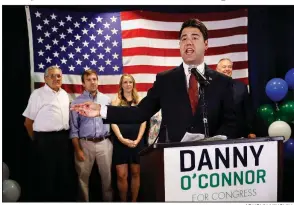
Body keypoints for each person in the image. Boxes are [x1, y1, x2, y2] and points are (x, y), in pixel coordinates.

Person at [71, 18, 237, 142]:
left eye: (195, 37)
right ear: (179, 45)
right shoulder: (165, 80)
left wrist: (215, 142)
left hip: (213, 162)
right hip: (173, 160)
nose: (188, 42)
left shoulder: (222, 82)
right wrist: (101, 110)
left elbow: (231, 122)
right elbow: (140, 112)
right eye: (184, 38)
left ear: (206, 44)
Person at [23, 66, 76, 201]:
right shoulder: (38, 94)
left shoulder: (64, 94)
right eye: (52, 76)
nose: (55, 78)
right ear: (45, 78)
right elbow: (28, 122)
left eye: (58, 76)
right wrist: (37, 141)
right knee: (47, 176)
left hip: (64, 139)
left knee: (63, 175)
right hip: (44, 140)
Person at [69, 69, 113, 202]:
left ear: (97, 81)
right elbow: (74, 129)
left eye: (94, 79)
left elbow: (112, 122)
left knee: (108, 179)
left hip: (104, 143)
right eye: (88, 80)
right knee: (83, 179)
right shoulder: (76, 102)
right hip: (85, 144)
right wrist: (78, 150)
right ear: (83, 83)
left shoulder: (106, 100)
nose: (92, 82)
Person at [111, 74, 146, 202]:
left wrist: (137, 139)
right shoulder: (115, 101)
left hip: (137, 142)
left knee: (136, 173)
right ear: (121, 85)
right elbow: (112, 122)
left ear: (133, 84)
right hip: (121, 143)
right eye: (125, 82)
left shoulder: (139, 101)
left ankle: (134, 201)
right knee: (121, 175)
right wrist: (121, 138)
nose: (128, 85)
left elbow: (144, 121)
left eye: (130, 82)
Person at [216, 58, 256, 138]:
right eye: (224, 67)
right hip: (217, 134)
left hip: (239, 134)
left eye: (229, 67)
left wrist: (251, 131)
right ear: (217, 70)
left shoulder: (241, 86)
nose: (227, 69)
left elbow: (247, 111)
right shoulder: (210, 87)